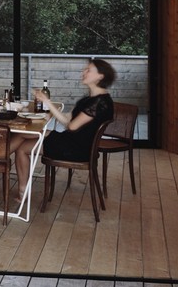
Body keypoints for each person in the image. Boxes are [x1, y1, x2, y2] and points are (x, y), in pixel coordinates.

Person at [9, 58, 116, 202]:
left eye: (88, 70)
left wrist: (47, 102)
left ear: (100, 76)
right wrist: (48, 112)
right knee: (23, 136)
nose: (84, 72)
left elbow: (71, 126)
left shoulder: (99, 103)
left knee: (22, 142)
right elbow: (67, 119)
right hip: (72, 141)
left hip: (75, 149)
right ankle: (4, 166)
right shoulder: (90, 99)